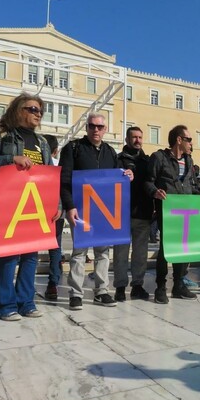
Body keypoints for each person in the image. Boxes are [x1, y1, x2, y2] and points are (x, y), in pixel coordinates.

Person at [0, 93, 60, 320]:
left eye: (40, 110)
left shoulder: (42, 142)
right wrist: (10, 159)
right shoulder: (0, 136)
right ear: (17, 110)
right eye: (32, 109)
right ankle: (6, 306)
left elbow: (49, 176)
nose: (38, 113)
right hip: (9, 205)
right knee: (9, 256)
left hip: (35, 206)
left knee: (31, 256)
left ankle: (27, 302)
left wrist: (57, 204)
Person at [59, 113, 133, 311]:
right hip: (80, 210)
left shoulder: (110, 152)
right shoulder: (73, 148)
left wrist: (127, 174)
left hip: (103, 212)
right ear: (87, 127)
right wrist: (69, 206)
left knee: (103, 252)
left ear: (105, 129)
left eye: (100, 127)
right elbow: (64, 180)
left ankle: (101, 291)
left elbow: (118, 176)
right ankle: (76, 293)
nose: (96, 130)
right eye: (92, 126)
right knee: (79, 252)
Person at [145, 125, 198, 304]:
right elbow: (148, 181)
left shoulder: (189, 160)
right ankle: (160, 287)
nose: (191, 143)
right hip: (168, 207)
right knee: (167, 248)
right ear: (179, 140)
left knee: (183, 247)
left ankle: (178, 285)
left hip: (187, 208)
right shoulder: (159, 157)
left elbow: (189, 183)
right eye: (189, 139)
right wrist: (155, 192)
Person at [112, 126, 152, 302]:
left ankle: (137, 286)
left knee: (140, 254)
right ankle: (120, 287)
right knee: (120, 253)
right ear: (127, 139)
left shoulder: (147, 161)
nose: (138, 140)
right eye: (134, 137)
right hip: (121, 214)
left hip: (142, 213)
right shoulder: (117, 160)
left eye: (140, 137)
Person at [42, 134, 64, 300]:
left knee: (30, 248)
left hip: (34, 210)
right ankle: (53, 283)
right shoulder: (59, 166)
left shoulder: (34, 165)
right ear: (56, 151)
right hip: (56, 211)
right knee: (55, 247)